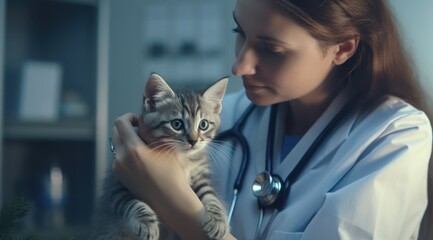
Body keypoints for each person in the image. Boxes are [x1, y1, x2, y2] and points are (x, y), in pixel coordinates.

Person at [110, 0, 433, 239]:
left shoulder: (395, 137)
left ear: (343, 48)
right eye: (240, 32)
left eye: (272, 49)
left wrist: (174, 202)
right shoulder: (229, 116)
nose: (239, 66)